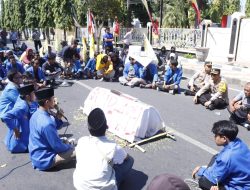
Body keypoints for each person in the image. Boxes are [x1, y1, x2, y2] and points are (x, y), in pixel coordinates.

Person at [73, 108, 134, 190]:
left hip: (80, 185)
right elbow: (127, 158)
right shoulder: (113, 147)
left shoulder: (82, 141)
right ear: (106, 127)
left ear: (88, 128)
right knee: (130, 161)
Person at [192, 120, 250, 190]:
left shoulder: (227, 157)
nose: (214, 136)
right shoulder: (238, 142)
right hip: (245, 179)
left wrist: (201, 170)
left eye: (216, 135)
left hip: (239, 187)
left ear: (224, 138)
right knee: (215, 157)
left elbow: (213, 178)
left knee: (204, 181)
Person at [29, 88, 76, 171]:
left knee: (64, 140)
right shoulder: (47, 122)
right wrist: (70, 147)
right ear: (47, 102)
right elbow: (57, 146)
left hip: (36, 153)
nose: (55, 101)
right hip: (44, 159)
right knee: (77, 150)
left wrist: (58, 117)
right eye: (53, 99)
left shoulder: (36, 114)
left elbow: (55, 127)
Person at [2, 84, 36, 153]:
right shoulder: (22, 107)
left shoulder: (21, 98)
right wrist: (15, 129)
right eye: (33, 94)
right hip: (19, 142)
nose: (35, 95)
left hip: (23, 128)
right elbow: (5, 116)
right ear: (27, 96)